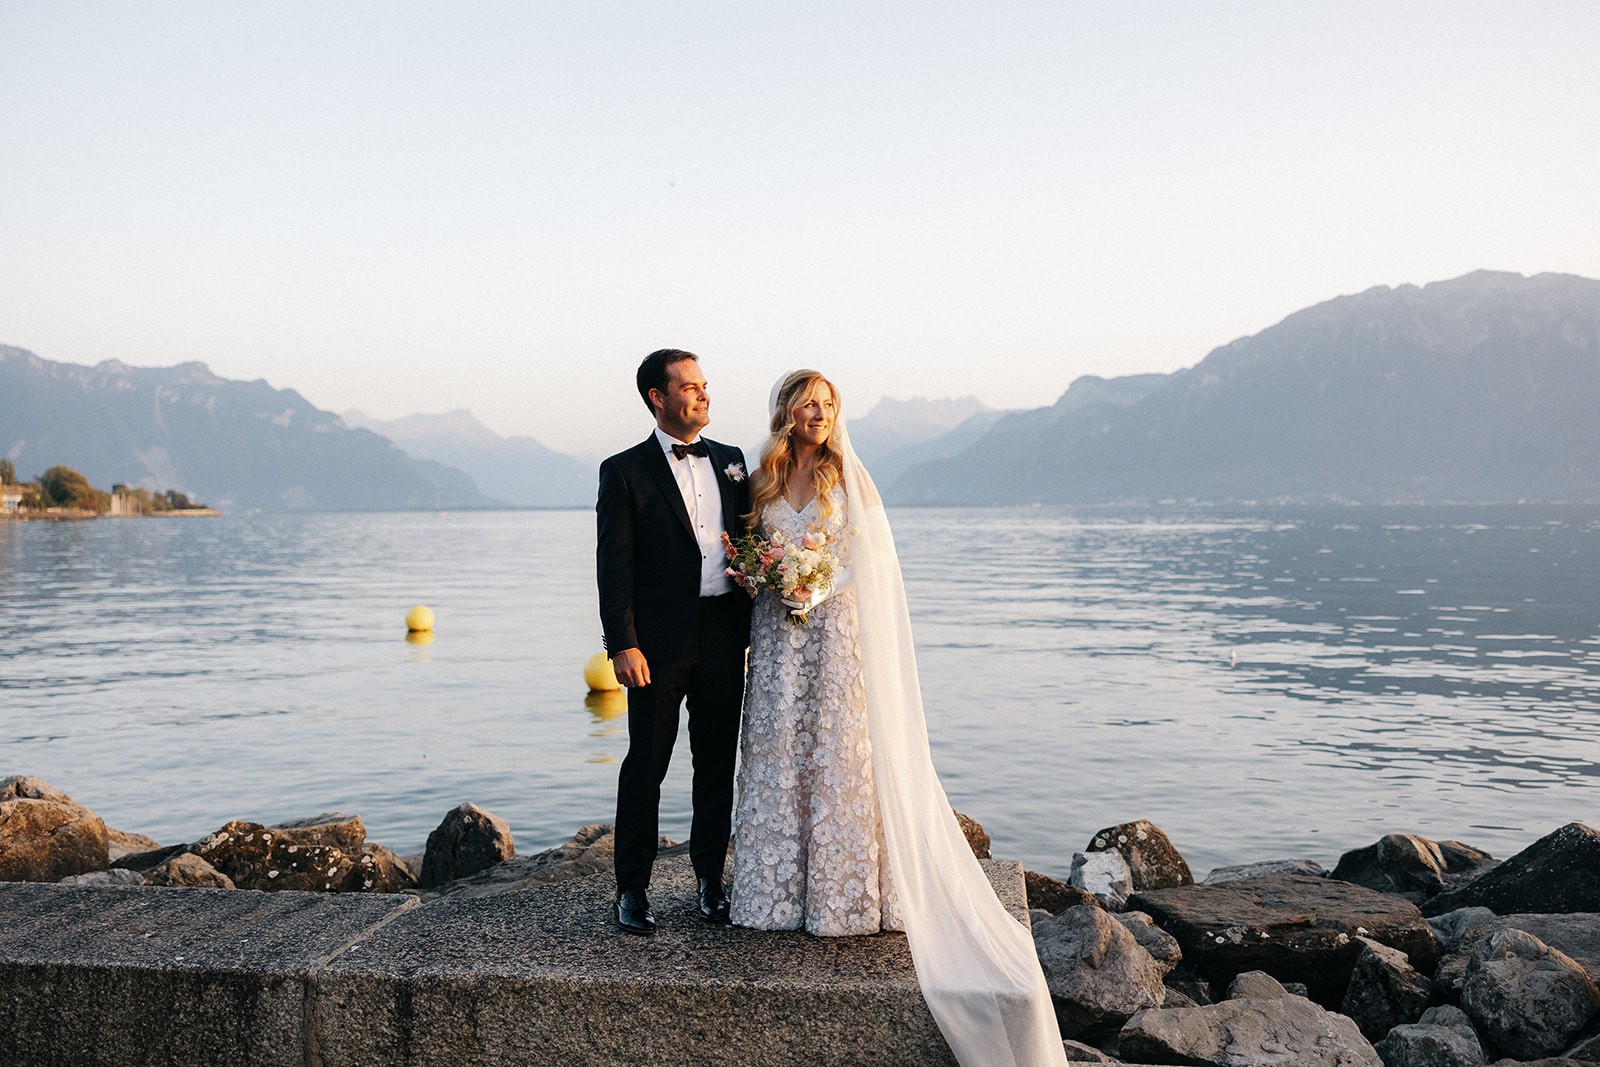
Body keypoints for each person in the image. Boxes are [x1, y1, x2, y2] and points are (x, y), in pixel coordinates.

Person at [730, 370, 1067, 1066]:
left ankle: (842, 899)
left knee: (840, 756)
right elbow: (753, 550)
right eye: (807, 402)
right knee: (777, 755)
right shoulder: (760, 482)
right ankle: (773, 894)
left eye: (828, 404)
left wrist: (817, 583)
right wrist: (766, 577)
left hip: (833, 639)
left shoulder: (848, 478)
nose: (818, 412)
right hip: (778, 642)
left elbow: (872, 561)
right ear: (786, 411)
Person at [596, 349, 753, 935]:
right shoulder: (624, 471)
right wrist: (622, 643)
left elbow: (752, 545)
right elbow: (614, 565)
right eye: (690, 387)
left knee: (715, 762)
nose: (704, 394)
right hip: (657, 643)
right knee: (648, 763)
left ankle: (711, 882)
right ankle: (631, 889)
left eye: (705, 385)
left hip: (723, 634)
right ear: (658, 398)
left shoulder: (735, 463)